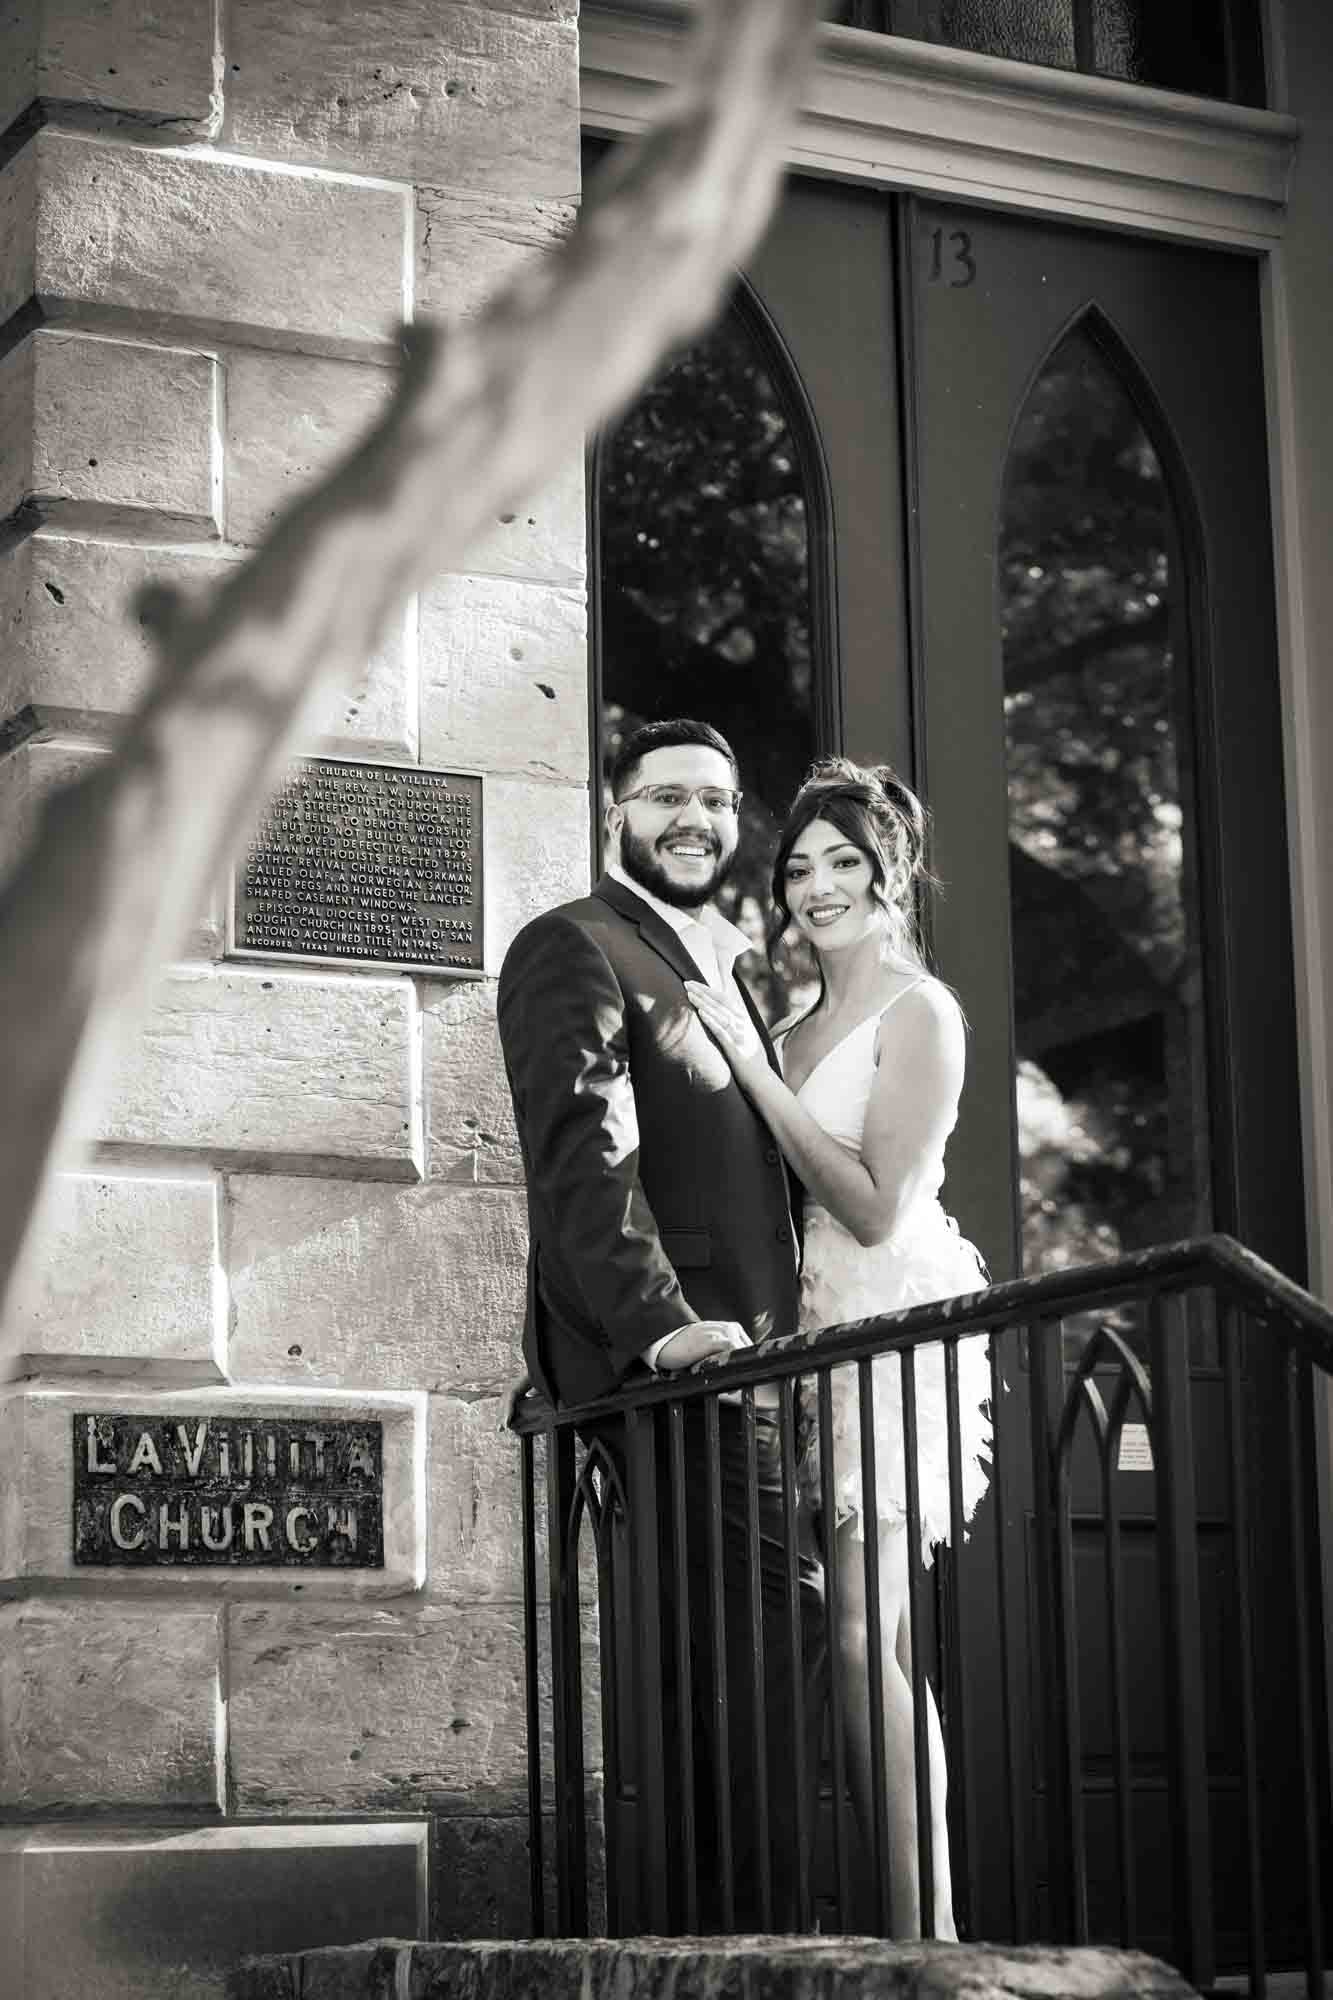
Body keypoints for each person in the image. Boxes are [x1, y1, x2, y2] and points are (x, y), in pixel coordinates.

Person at [496, 716, 824, 1931]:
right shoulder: (572, 946)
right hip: (681, 1365)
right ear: (615, 812)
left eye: (717, 799)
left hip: (771, 1364)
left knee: (742, 1664)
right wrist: (663, 1328)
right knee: (762, 1639)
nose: (695, 817)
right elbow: (580, 1162)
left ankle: (737, 1939)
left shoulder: (730, 967)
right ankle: (759, 1946)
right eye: (666, 795)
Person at [686, 755, 992, 1941]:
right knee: (814, 1628)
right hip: (789, 1333)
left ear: (891, 874)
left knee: (865, 1626)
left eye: (843, 864)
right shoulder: (797, 1014)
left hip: (883, 1322)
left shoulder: (922, 1011)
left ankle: (932, 1934)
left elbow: (874, 1203)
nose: (816, 888)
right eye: (800, 867)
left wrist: (753, 1071)